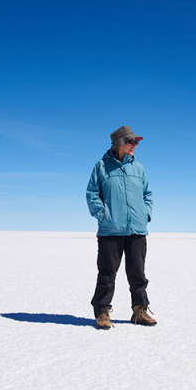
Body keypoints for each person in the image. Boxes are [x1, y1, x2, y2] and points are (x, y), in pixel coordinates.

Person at [86, 125, 157, 329]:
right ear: (119, 143)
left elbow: (148, 194)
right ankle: (102, 311)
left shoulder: (138, 168)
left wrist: (145, 214)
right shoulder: (101, 167)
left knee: (138, 274)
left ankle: (140, 311)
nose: (134, 145)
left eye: (136, 142)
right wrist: (103, 216)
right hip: (111, 230)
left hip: (136, 230)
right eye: (131, 141)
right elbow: (92, 194)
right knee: (107, 273)